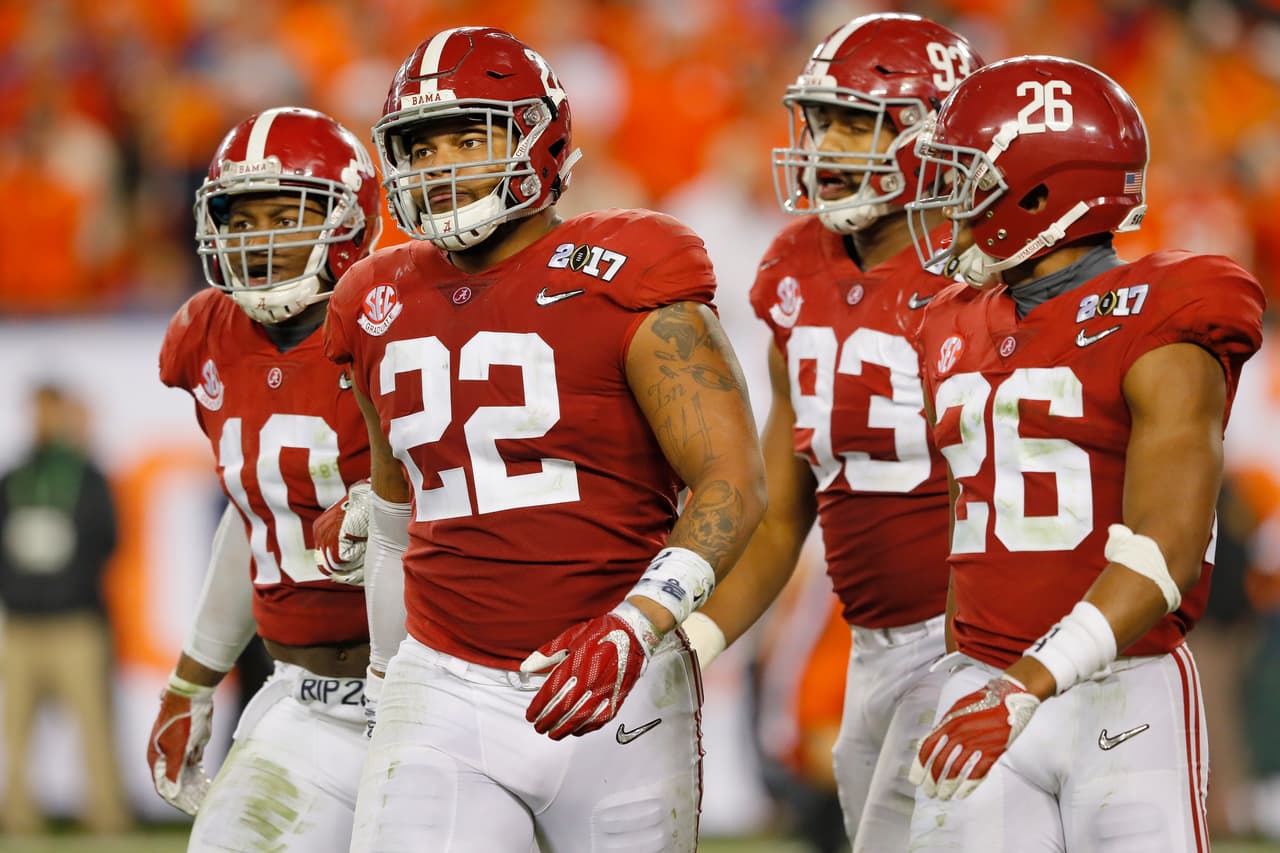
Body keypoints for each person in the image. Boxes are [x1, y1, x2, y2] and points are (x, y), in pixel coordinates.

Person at [323, 26, 765, 852]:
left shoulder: (629, 269)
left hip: (616, 680)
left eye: (469, 136)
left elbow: (732, 481)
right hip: (442, 679)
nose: (442, 164)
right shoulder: (375, 297)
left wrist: (637, 623)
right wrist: (385, 674)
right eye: (421, 146)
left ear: (540, 136)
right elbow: (393, 514)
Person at [903, 56, 1265, 851]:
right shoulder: (946, 319)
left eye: (969, 176)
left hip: (1121, 690)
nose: (947, 200)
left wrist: (1031, 682)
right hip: (979, 680)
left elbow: (1165, 550)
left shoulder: (1168, 308)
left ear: (1039, 192)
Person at [678, 14, 983, 851]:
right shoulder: (794, 267)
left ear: (936, 131)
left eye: (858, 120)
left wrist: (976, 665)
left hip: (985, 638)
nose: (827, 142)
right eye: (820, 119)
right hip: (874, 644)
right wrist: (695, 641)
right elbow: (782, 507)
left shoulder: (984, 269)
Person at [146, 106, 383, 851]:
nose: (262, 241)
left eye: (289, 215)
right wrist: (192, 678)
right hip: (302, 697)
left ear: (347, 222)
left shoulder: (394, 318)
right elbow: (258, 510)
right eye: (242, 220)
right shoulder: (205, 335)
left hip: (430, 692)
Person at [0, 383, 131, 835]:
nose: (43, 423)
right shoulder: (15, 476)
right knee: (15, 733)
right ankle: (17, 819)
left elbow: (110, 540)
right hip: (21, 625)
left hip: (75, 622)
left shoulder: (88, 476)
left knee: (94, 728)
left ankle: (107, 817)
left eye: (51, 413)